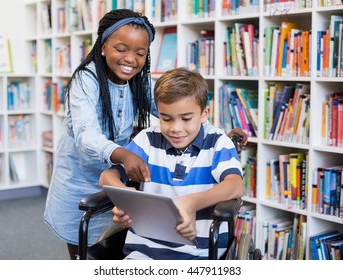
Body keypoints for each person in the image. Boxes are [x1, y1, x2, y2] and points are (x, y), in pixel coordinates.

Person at [44, 9, 247, 260]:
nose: (130, 58)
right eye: (121, 49)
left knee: (118, 237)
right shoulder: (86, 80)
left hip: (125, 181)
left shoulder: (140, 81)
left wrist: (217, 134)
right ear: (104, 46)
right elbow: (86, 135)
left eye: (140, 53)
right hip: (83, 176)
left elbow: (178, 107)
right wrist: (123, 157)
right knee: (82, 251)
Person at [99, 67, 245, 260]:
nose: (176, 129)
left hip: (199, 254)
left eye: (186, 118)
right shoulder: (148, 139)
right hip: (142, 253)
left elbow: (235, 184)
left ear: (204, 114)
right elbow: (107, 176)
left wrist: (192, 202)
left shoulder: (217, 143)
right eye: (166, 119)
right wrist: (126, 199)